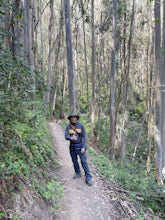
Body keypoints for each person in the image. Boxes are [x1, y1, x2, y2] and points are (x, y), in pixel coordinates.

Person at [65, 113, 93, 186]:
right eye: (72, 117)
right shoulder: (68, 127)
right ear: (70, 119)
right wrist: (70, 138)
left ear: (77, 118)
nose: (73, 119)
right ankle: (78, 173)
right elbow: (66, 136)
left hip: (80, 146)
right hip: (72, 146)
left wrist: (84, 146)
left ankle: (88, 178)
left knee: (84, 162)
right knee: (74, 160)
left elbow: (84, 136)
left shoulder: (81, 126)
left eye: (75, 117)